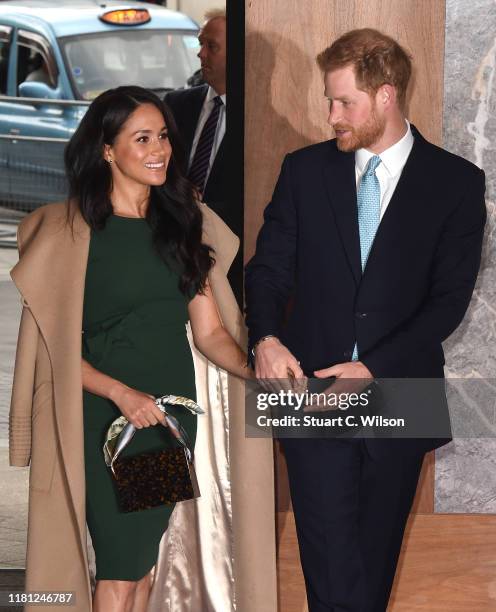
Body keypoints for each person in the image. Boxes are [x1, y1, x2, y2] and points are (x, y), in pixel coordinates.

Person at [245, 29, 486, 612]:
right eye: (328, 100)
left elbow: (448, 303)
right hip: (307, 385)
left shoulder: (457, 183)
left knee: (375, 559)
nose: (330, 115)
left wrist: (372, 366)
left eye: (343, 102)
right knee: (327, 557)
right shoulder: (302, 171)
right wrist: (266, 338)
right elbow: (268, 268)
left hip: (399, 387)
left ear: (386, 95)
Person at [8, 85, 272, 612]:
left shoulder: (181, 224)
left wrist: (260, 373)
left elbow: (211, 333)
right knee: (119, 561)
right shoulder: (71, 233)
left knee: (143, 561)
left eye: (164, 138)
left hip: (168, 420)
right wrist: (121, 394)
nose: (160, 150)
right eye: (142, 138)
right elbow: (53, 352)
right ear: (107, 149)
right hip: (103, 416)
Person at [164, 8, 243, 307]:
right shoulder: (176, 104)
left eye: (212, 46)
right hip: (172, 249)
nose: (201, 54)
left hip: (228, 258)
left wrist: (203, 210)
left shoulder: (256, 121)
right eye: (201, 44)